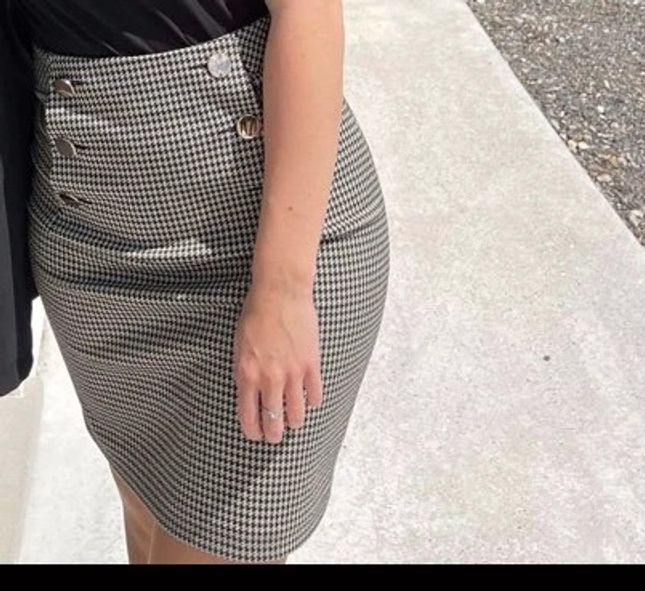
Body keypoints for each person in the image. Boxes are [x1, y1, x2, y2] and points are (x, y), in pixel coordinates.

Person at [0, 0, 391, 564]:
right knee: (148, 511)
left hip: (255, 247)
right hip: (87, 246)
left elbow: (309, 15)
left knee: (215, 534)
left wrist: (281, 290)